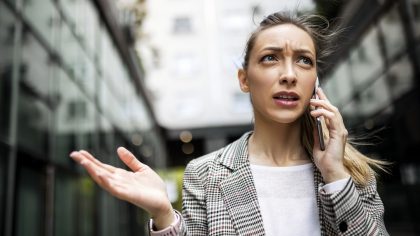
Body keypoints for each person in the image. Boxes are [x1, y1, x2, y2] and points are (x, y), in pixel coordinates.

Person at [70, 12, 389, 235]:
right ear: (244, 79)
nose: (289, 74)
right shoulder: (205, 174)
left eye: (304, 60)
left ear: (315, 81)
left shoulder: (353, 174)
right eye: (270, 58)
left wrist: (334, 174)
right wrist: (165, 215)